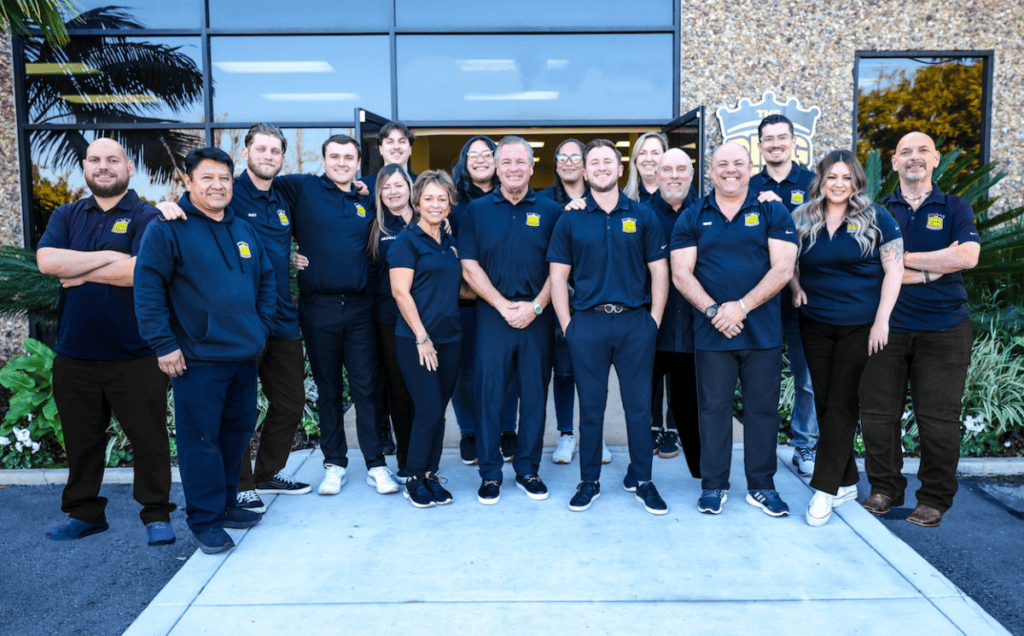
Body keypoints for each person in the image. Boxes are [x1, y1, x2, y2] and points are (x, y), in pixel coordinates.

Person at [156, 124, 311, 515]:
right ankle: (239, 487)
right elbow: (184, 214)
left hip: (277, 319)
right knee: (233, 413)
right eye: (262, 150)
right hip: (231, 329)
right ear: (246, 154)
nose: (269, 157)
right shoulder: (227, 193)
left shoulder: (283, 196)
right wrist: (161, 205)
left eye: (276, 151)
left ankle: (267, 472)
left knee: (290, 403)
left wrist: (362, 187)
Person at [134, 147, 276, 554]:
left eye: (225, 179)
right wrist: (164, 344)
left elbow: (267, 281)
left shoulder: (245, 232)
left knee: (235, 435)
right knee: (200, 441)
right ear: (189, 182)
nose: (217, 186)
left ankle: (228, 505)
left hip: (242, 356)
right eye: (208, 178)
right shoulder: (167, 229)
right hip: (196, 359)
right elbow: (148, 290)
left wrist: (260, 327)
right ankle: (206, 520)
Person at [36, 138, 176, 546]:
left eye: (112, 160)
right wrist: (112, 259)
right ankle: (85, 513)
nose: (103, 166)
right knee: (81, 442)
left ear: (129, 168)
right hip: (75, 355)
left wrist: (79, 270)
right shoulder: (66, 214)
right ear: (85, 167)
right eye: (95, 160)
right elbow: (48, 262)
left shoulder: (147, 215)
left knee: (149, 441)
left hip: (135, 355)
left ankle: (156, 515)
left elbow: (142, 272)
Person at [670, 142, 798, 517]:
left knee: (762, 411)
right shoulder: (693, 215)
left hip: (762, 334)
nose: (730, 170)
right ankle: (713, 485)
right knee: (712, 410)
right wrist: (715, 311)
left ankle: (762, 486)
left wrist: (741, 307)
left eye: (738, 163)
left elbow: (783, 268)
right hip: (712, 333)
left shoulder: (772, 210)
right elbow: (680, 272)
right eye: (722, 164)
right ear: (710, 170)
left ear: (750, 167)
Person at [859, 132, 979, 527]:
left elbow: (966, 255)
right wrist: (933, 268)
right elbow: (869, 265)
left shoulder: (955, 207)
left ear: (936, 159)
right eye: (905, 152)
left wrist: (904, 262)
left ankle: (933, 498)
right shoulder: (876, 212)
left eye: (923, 150)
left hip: (945, 329)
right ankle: (885, 489)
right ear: (893, 163)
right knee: (878, 414)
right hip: (885, 328)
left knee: (938, 419)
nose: (915, 157)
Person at [547, 139, 670, 515]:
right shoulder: (570, 218)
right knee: (591, 408)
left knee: (637, 408)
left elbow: (659, 273)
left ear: (620, 170)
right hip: (587, 324)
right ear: (585, 172)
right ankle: (589, 482)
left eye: (608, 162)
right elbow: (557, 277)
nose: (601, 168)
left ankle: (644, 480)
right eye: (593, 162)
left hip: (636, 323)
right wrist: (569, 325)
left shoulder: (643, 215)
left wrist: (653, 322)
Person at [276, 135, 399, 497]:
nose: (342, 162)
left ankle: (376, 464)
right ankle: (335, 464)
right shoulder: (302, 187)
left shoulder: (367, 199)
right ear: (324, 159)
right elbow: (255, 189)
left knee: (366, 388)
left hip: (361, 308)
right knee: (328, 389)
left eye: (349, 157)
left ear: (358, 163)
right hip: (318, 308)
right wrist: (287, 254)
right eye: (335, 156)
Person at [787, 150, 904, 526]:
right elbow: (783, 260)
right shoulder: (803, 217)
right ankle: (848, 481)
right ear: (820, 180)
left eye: (846, 177)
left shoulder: (877, 217)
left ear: (856, 181)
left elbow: (895, 269)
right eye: (831, 177)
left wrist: (882, 320)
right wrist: (794, 285)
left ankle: (823, 489)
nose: (839, 184)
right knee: (824, 401)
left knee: (842, 402)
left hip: (860, 325)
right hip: (815, 322)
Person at [459, 136, 563, 505]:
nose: (514, 169)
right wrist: (503, 305)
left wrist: (536, 306)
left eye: (522, 162)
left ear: (533, 167)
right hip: (492, 317)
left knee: (534, 396)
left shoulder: (551, 211)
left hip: (537, 317)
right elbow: (469, 267)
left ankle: (527, 469)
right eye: (507, 162)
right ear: (497, 167)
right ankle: (490, 475)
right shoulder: (476, 211)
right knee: (488, 397)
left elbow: (560, 268)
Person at [748, 114, 820, 478]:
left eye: (782, 138)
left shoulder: (813, 184)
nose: (775, 144)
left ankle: (804, 446)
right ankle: (761, 446)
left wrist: (783, 212)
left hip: (803, 297)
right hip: (759, 300)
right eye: (768, 139)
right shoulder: (746, 184)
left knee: (807, 377)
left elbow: (823, 237)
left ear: (793, 141)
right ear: (759, 146)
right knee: (762, 377)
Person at [388, 170, 464, 508]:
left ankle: (431, 474)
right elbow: (400, 292)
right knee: (429, 409)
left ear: (450, 204)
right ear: (417, 201)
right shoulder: (407, 241)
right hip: (417, 340)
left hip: (451, 339)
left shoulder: (448, 242)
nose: (435, 204)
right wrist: (422, 337)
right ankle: (413, 478)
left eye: (442, 198)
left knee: (440, 411)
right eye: (429, 198)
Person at [448, 135, 518, 466]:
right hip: (463, 300)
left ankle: (506, 430)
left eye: (486, 153)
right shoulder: (452, 201)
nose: (479, 159)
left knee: (508, 368)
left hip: (506, 299)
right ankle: (470, 432)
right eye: (471, 154)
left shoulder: (512, 198)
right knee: (464, 369)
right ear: (464, 161)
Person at [647, 149, 701, 475]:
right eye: (667, 170)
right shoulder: (641, 214)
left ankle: (702, 473)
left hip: (696, 331)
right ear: (657, 174)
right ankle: (640, 475)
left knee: (691, 408)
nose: (674, 175)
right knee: (640, 409)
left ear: (692, 173)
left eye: (682, 169)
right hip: (652, 328)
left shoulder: (710, 211)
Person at [537, 139, 590, 464]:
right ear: (556, 164)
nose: (569, 162)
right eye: (563, 157)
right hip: (554, 298)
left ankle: (592, 435)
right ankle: (566, 434)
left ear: (585, 164)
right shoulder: (542, 202)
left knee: (591, 369)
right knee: (563, 369)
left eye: (576, 157)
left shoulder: (602, 197)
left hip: (592, 300)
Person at [367, 164, 415, 481]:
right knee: (400, 391)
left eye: (399, 185)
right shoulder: (376, 228)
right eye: (386, 187)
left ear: (410, 187)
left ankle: (427, 457)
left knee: (428, 392)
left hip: (430, 318)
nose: (393, 191)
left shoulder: (432, 220)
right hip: (389, 321)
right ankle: (407, 461)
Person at [359, 121, 419, 205]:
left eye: (402, 141)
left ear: (410, 149)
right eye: (390, 142)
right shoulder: (364, 186)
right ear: (381, 149)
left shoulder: (422, 184)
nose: (396, 147)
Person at [623, 132, 667, 204]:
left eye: (655, 153)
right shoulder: (622, 198)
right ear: (635, 160)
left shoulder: (681, 196)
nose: (648, 159)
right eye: (642, 153)